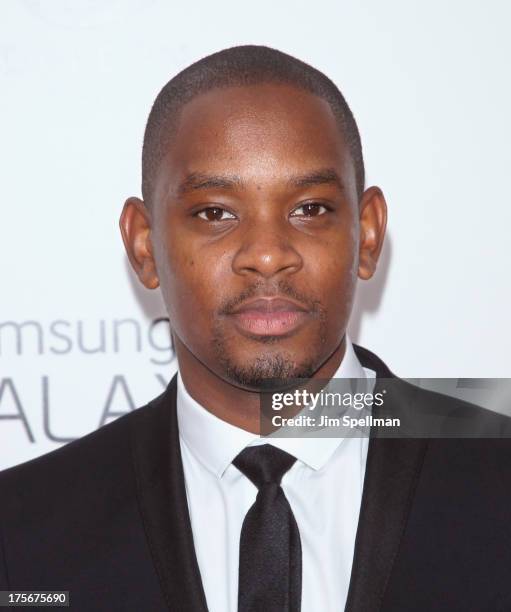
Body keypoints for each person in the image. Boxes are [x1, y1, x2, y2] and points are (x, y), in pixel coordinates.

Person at [1, 45, 510, 612]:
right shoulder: (21, 532)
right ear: (144, 246)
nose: (267, 255)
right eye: (215, 212)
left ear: (367, 235)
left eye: (310, 209)